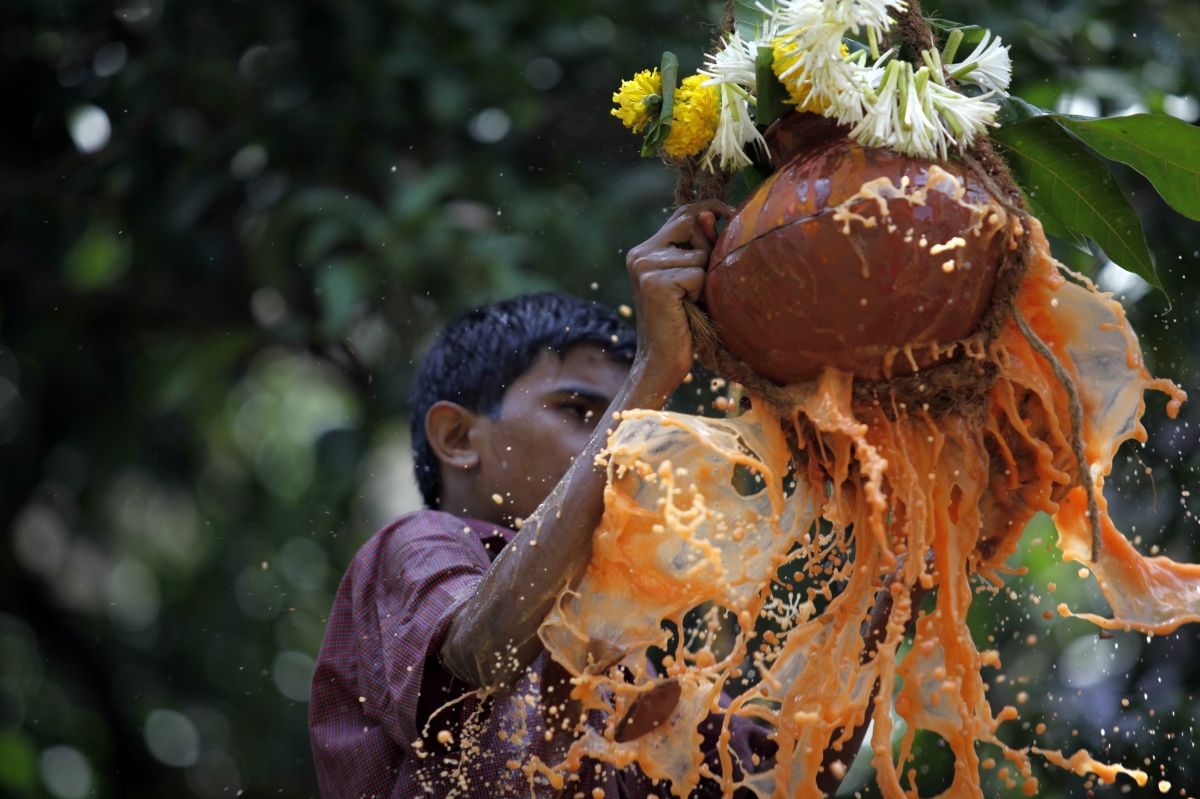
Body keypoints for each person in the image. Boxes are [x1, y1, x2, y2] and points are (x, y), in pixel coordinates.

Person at [308, 201, 876, 799]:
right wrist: (654, 370)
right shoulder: (419, 544)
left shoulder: (630, 651)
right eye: (583, 412)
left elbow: (785, 780)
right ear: (457, 438)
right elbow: (481, 652)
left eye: (634, 411)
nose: (630, 439)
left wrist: (894, 567)